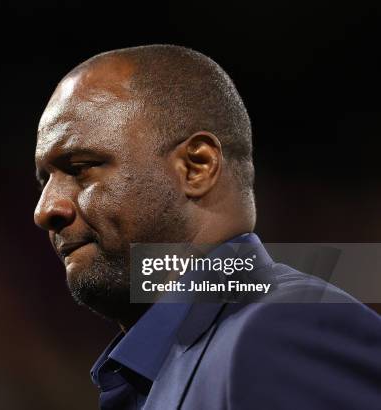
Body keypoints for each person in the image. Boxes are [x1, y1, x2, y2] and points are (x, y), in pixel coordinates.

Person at [33, 44, 381, 409]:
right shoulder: (156, 370)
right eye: (45, 181)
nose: (45, 210)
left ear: (196, 167)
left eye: (81, 167)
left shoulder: (284, 329)